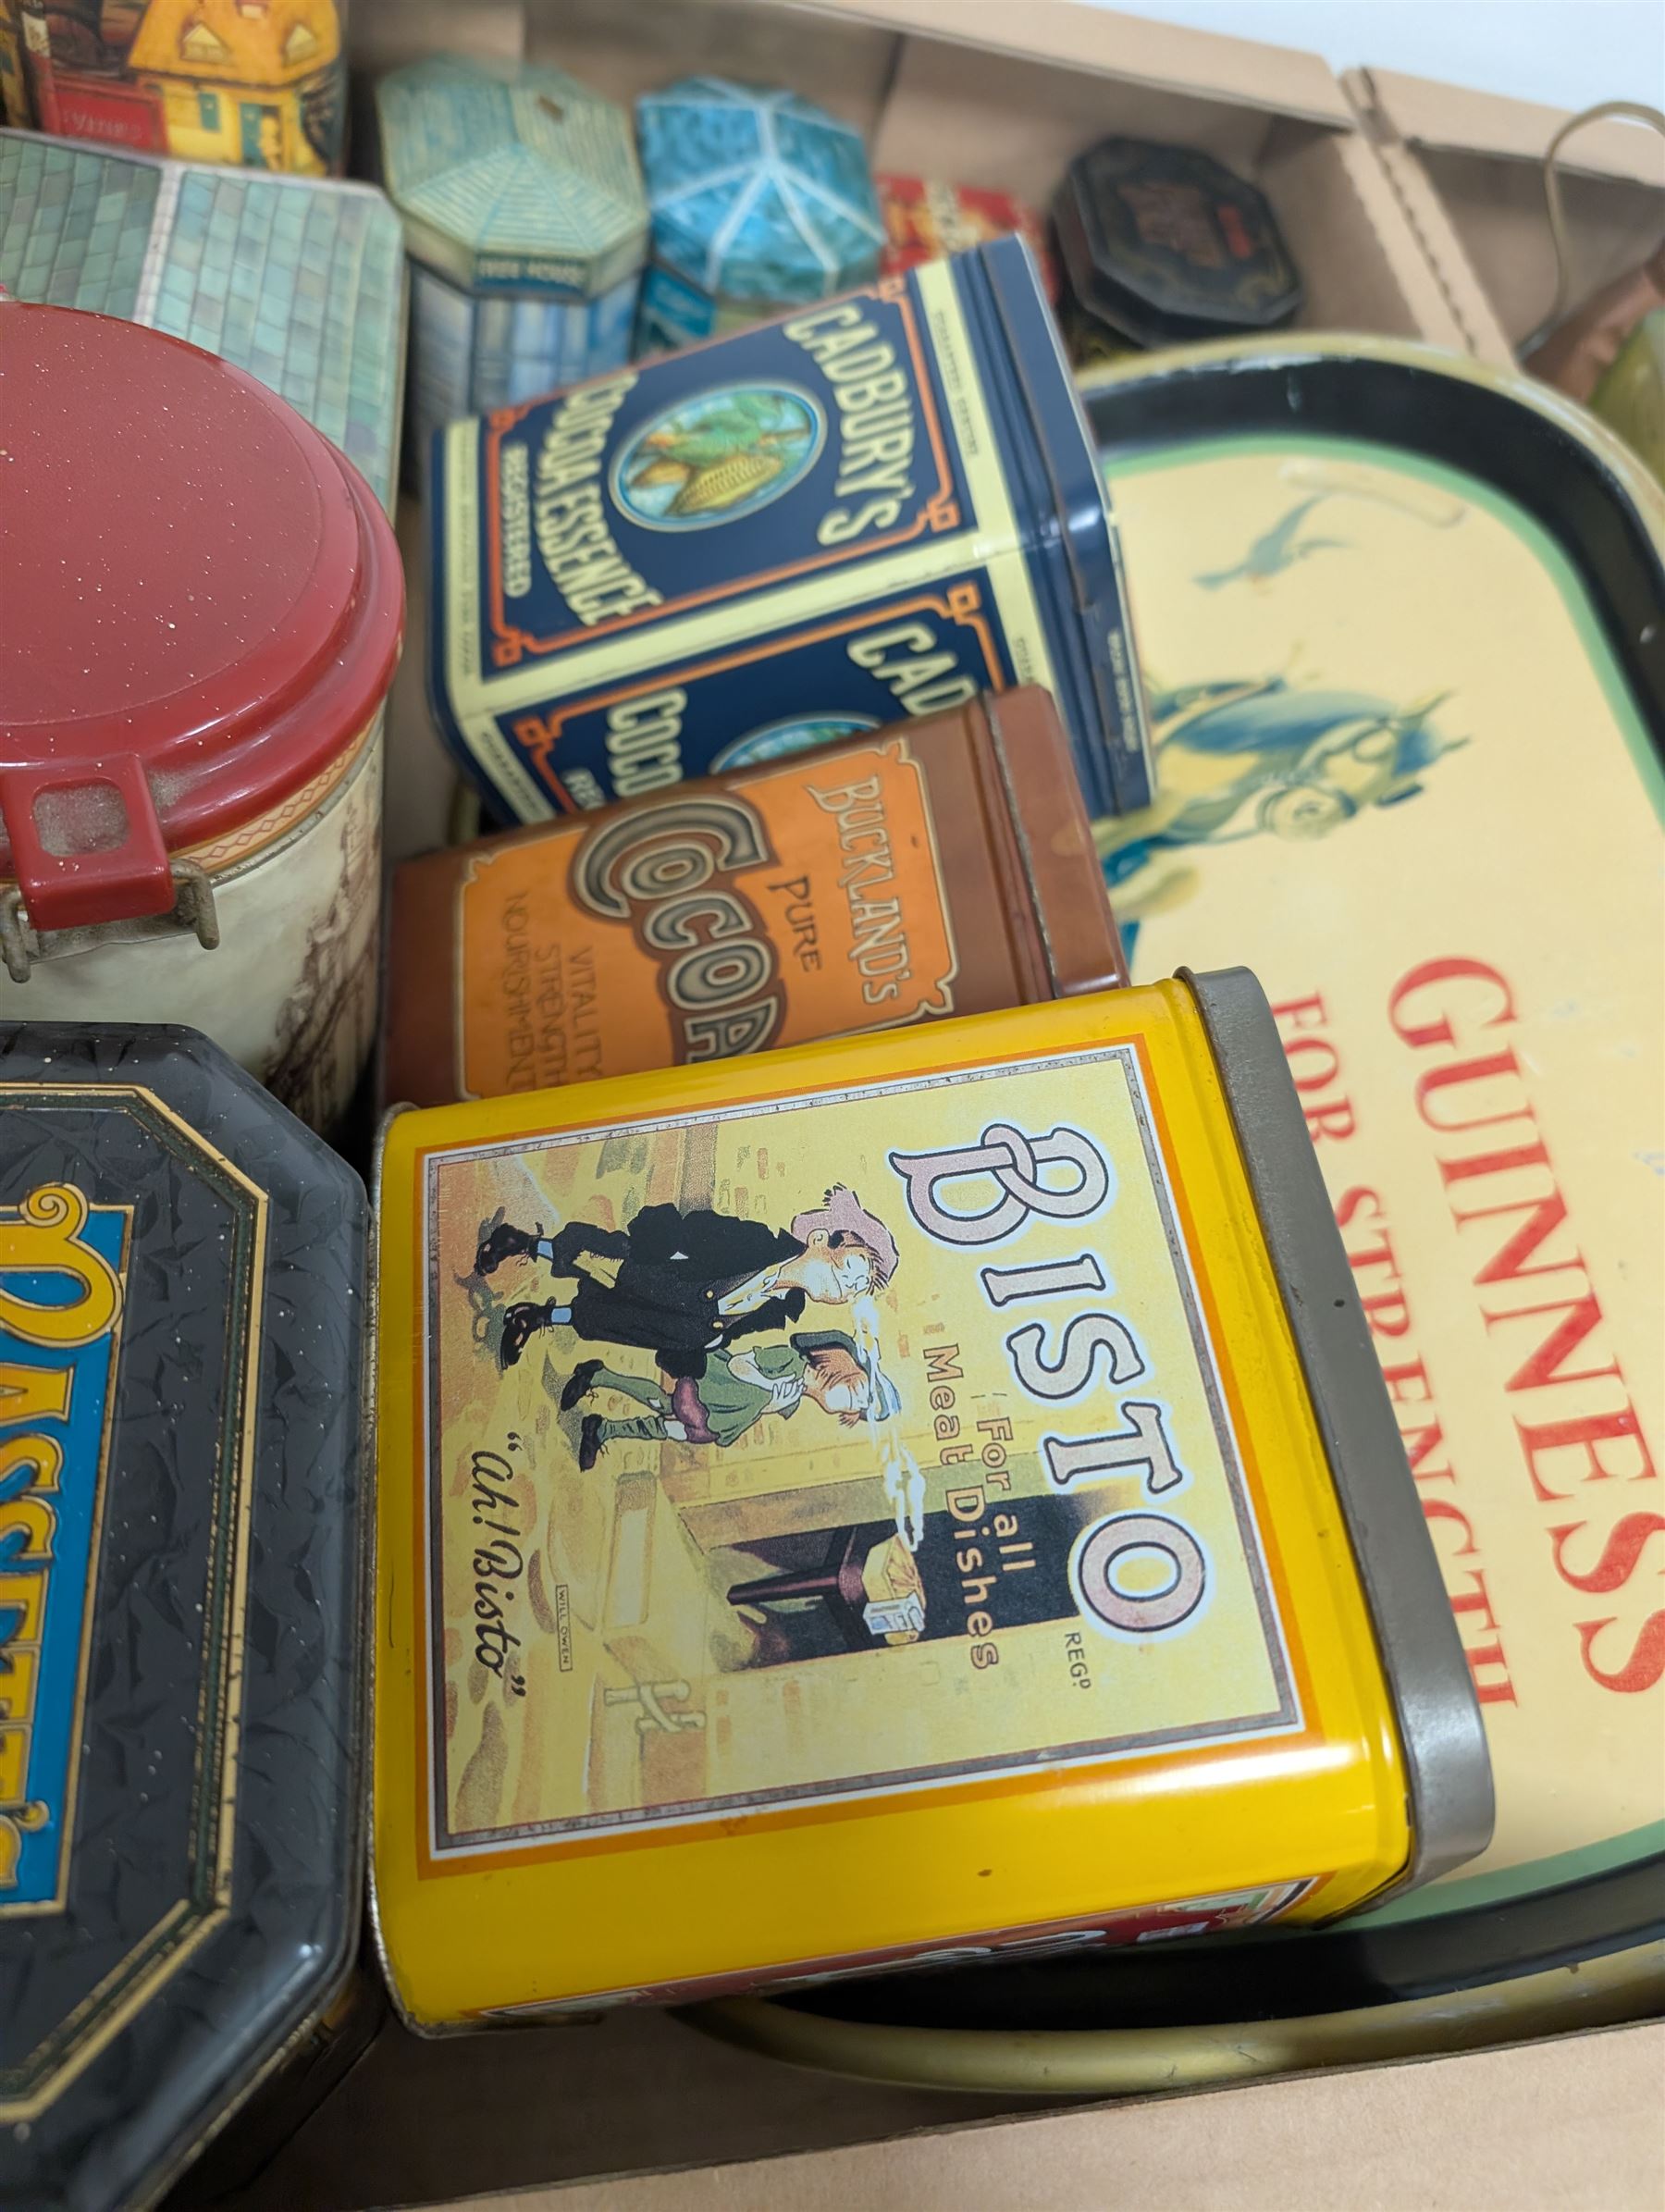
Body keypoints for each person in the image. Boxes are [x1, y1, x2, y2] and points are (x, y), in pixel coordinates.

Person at [473, 1186, 899, 1372]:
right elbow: (706, 1229)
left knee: (612, 1320)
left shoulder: (786, 1309)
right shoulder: (762, 1244)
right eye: (846, 1271)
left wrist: (706, 1344)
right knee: (591, 1258)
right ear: (821, 1239)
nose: (843, 1289)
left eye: (854, 1290)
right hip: (669, 1274)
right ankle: (523, 1243)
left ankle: (539, 1317)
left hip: (681, 1320)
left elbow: (738, 1328)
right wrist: (665, 1244)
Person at [562, 1330, 901, 1471]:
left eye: (864, 1406)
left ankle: (602, 1428)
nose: (857, 1401)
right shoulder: (791, 1362)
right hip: (714, 1386)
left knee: (669, 1426)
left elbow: (755, 1408)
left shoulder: (794, 1399)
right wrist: (769, 1383)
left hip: (722, 1416)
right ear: (848, 1368)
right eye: (864, 1389)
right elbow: (741, 1364)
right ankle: (598, 1378)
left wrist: (772, 1398)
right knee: (665, 1408)